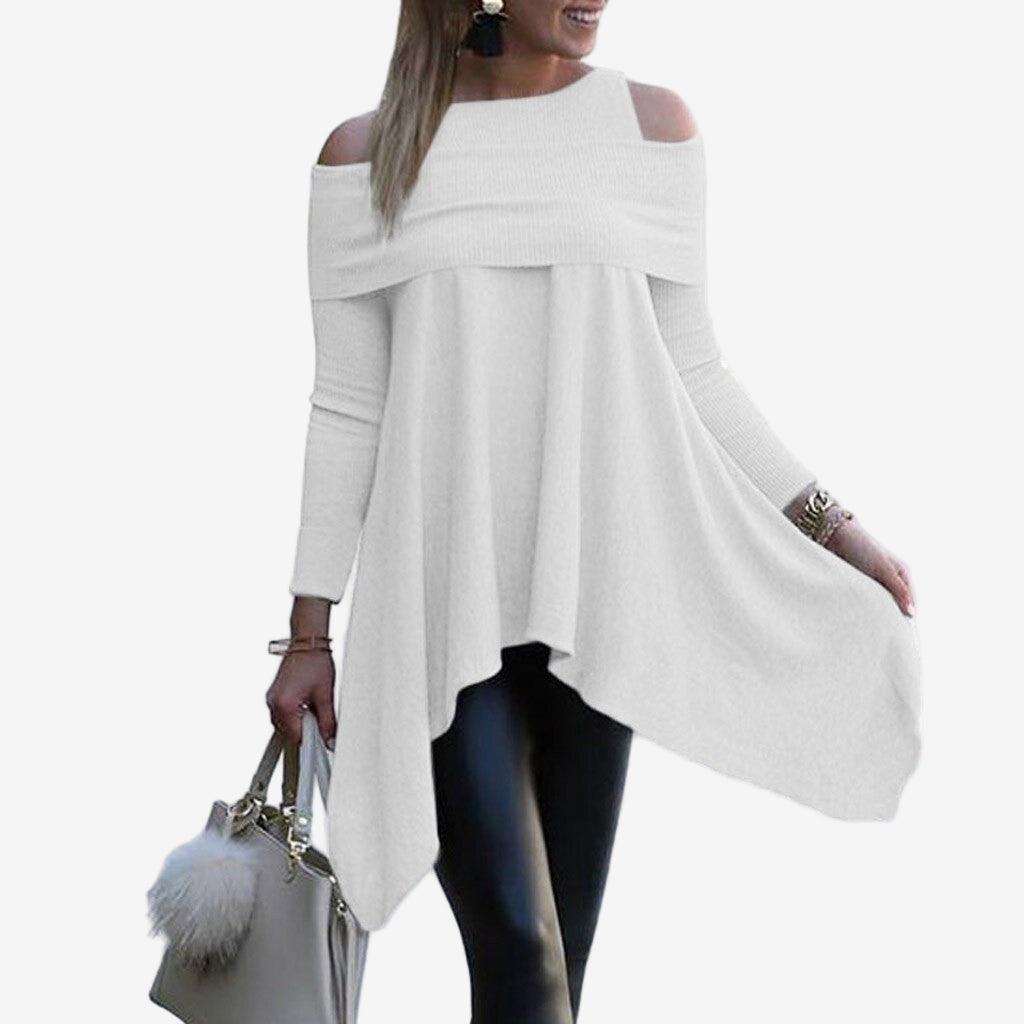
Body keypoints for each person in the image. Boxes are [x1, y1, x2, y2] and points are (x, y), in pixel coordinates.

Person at [265, 3, 923, 1021]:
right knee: (524, 958)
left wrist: (834, 528)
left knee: (554, 974)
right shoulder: (364, 157)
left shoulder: (650, 128)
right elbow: (348, 405)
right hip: (437, 613)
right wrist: (309, 633)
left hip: (595, 605)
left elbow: (694, 369)